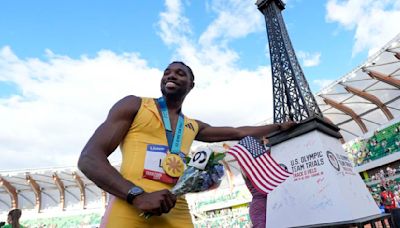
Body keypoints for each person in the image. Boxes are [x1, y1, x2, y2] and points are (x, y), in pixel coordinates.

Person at [78, 61, 296, 227]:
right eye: (167, 72)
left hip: (176, 210)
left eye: (180, 73)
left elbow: (237, 131)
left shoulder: (192, 126)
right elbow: (89, 158)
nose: (171, 75)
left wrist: (279, 127)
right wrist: (137, 196)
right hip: (128, 208)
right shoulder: (134, 105)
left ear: (191, 85)